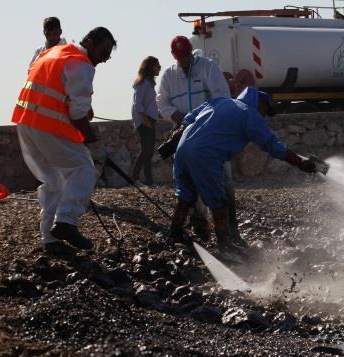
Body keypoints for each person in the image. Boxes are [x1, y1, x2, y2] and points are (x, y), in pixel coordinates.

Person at [168, 87, 318, 253]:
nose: (264, 116)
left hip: (182, 148)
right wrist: (299, 161)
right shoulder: (249, 114)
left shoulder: (221, 101)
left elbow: (190, 117)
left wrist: (176, 135)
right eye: (265, 111)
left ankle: (174, 235)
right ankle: (225, 245)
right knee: (219, 202)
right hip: (205, 155)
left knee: (185, 196)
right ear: (258, 102)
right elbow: (272, 145)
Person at [12, 27, 116, 254]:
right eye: (102, 53)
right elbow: (77, 114)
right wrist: (94, 144)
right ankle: (66, 222)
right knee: (85, 170)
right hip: (48, 127)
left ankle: (50, 239)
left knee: (54, 182)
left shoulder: (54, 53)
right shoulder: (81, 63)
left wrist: (80, 108)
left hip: (26, 123)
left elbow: (57, 92)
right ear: (89, 43)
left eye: (107, 57)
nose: (103, 60)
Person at [156, 35, 242, 243]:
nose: (184, 61)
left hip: (210, 135)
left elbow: (221, 97)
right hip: (183, 136)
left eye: (186, 56)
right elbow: (162, 101)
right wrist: (177, 117)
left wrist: (200, 120)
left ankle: (231, 232)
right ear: (174, 56)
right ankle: (200, 228)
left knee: (223, 181)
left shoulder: (208, 67)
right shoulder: (169, 75)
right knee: (186, 182)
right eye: (179, 57)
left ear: (190, 52)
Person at [131, 56, 162, 185]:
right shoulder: (143, 83)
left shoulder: (149, 84)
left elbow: (149, 104)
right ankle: (134, 178)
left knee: (148, 152)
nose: (159, 68)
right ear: (150, 67)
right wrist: (145, 120)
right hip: (144, 120)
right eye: (157, 66)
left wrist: (158, 114)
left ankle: (149, 181)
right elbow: (138, 104)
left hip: (149, 119)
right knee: (146, 151)